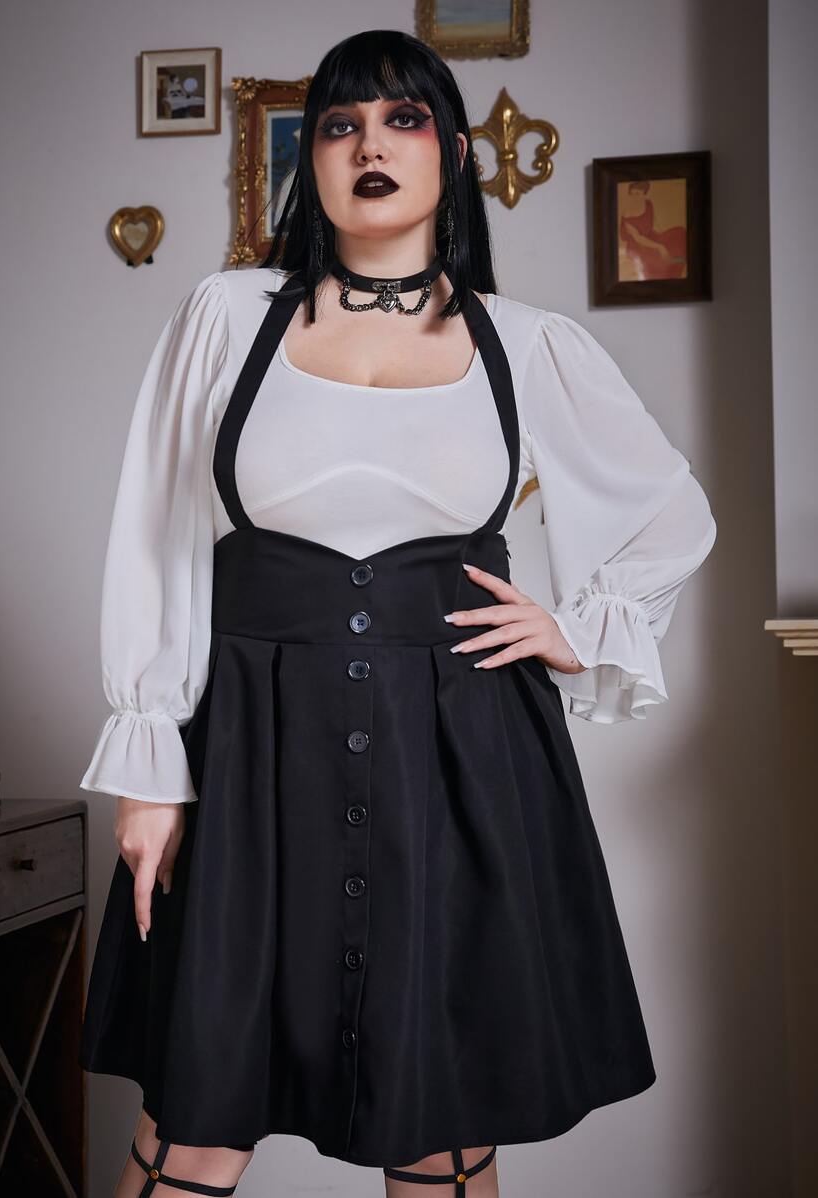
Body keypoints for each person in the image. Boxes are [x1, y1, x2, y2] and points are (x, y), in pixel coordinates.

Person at [78, 28, 717, 1198]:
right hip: (253, 750)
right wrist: (151, 766)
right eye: (340, 125)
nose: (370, 144)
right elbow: (154, 534)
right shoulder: (227, 316)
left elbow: (672, 514)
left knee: (441, 1122)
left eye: (403, 119)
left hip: (461, 754)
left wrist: (581, 626)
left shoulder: (525, 343)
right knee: (196, 1119)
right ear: (311, 162)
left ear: (454, 154)